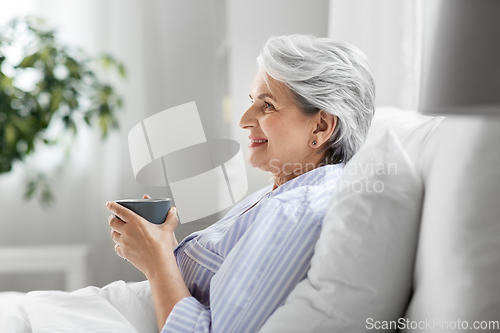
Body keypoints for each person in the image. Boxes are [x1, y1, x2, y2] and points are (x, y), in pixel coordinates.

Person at [107, 34, 375, 333]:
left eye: (268, 105)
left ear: (321, 126)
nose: (245, 120)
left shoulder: (294, 212)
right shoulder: (284, 189)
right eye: (252, 101)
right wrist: (162, 246)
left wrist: (157, 263)